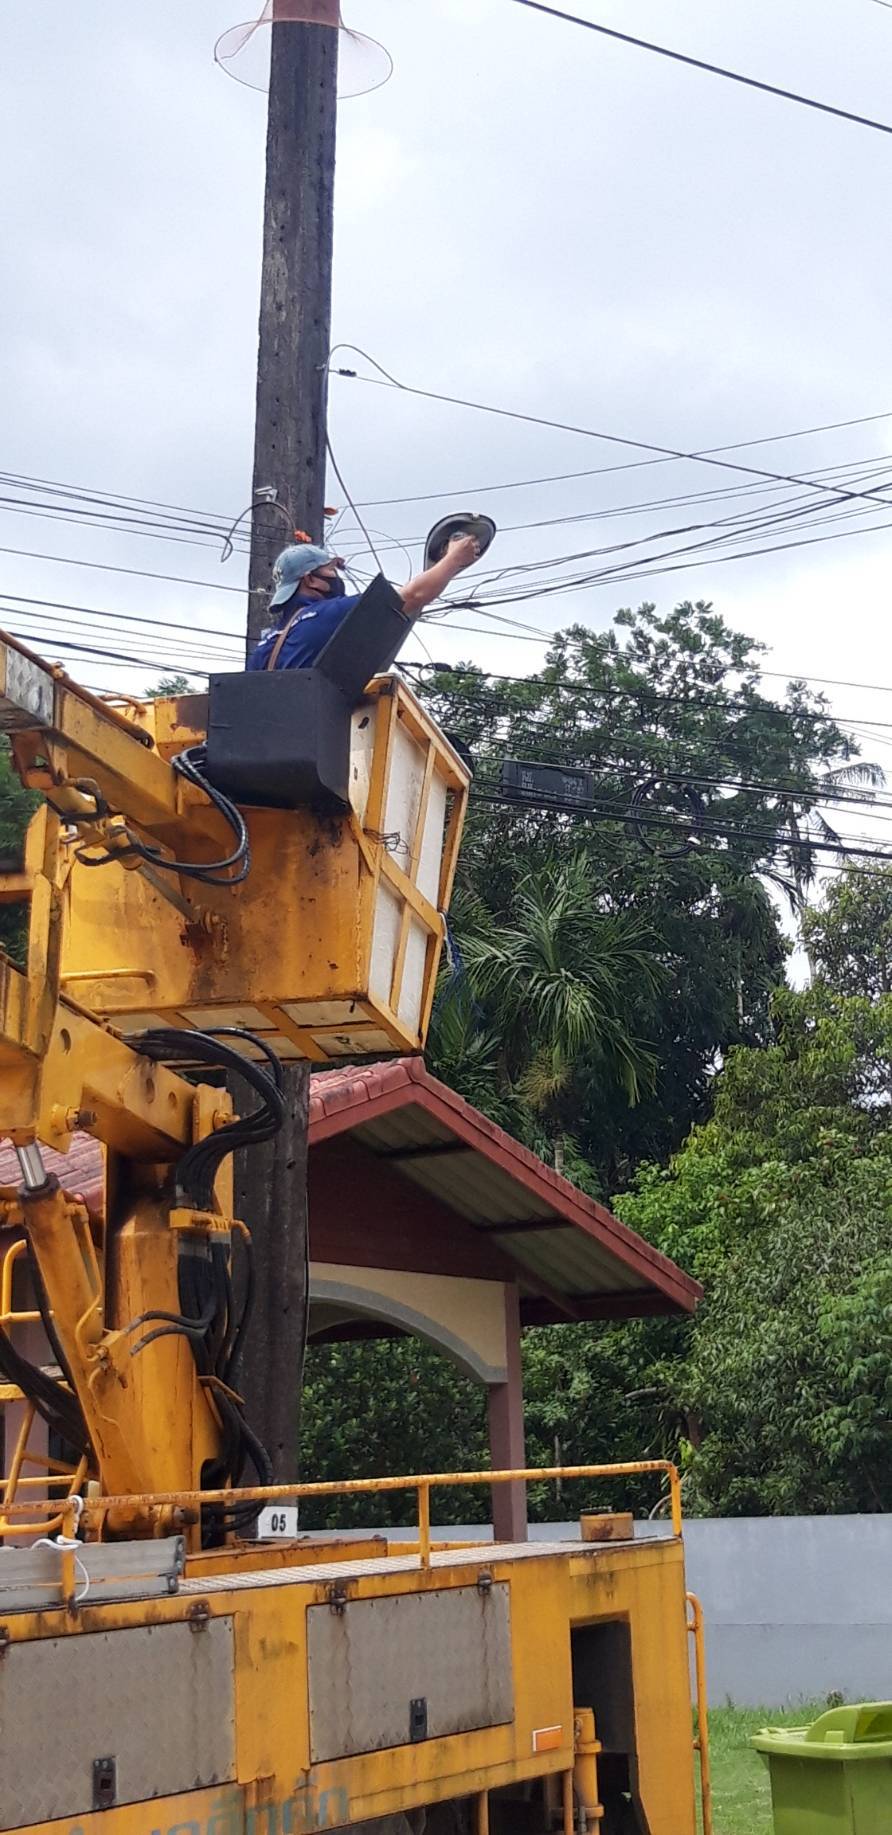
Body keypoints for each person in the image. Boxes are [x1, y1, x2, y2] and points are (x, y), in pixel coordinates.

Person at [247, 532, 481, 673]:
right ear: (311, 580)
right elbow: (413, 596)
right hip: (319, 745)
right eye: (331, 570)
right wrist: (454, 559)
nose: (336, 576)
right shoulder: (326, 615)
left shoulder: (264, 647)